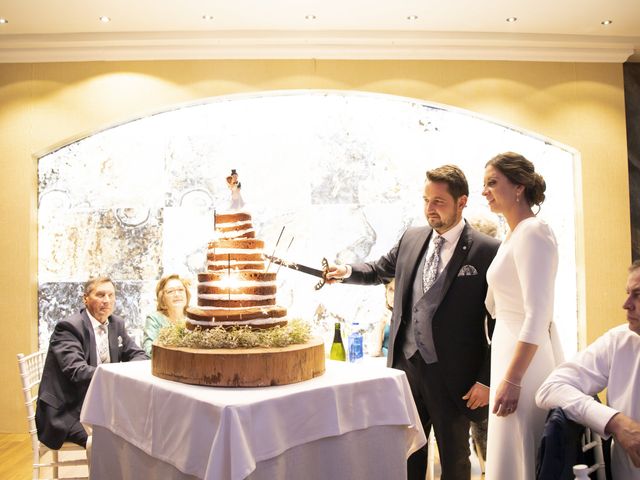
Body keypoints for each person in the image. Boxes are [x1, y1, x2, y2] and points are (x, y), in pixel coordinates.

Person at [327, 164, 500, 480]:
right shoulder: (411, 238)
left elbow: (499, 322)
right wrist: (346, 272)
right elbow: (379, 269)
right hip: (406, 372)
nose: (429, 210)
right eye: (425, 200)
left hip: (456, 380)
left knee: (455, 464)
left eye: (438, 202)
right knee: (407, 458)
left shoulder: (487, 251)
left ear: (462, 202)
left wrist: (486, 379)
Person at [482, 152, 563, 479]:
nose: (485, 191)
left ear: (518, 187)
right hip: (507, 351)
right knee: (508, 449)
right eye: (484, 184)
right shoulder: (513, 235)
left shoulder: (533, 231)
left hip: (524, 364)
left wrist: (513, 378)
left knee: (521, 448)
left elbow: (537, 313)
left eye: (492, 182)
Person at [536, 260, 640, 479]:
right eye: (628, 293)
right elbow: (550, 389)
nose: (626, 304)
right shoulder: (619, 342)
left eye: (637, 295)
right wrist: (616, 422)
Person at [36, 277, 148, 449]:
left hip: (103, 404)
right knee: (109, 442)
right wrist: (117, 376)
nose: (107, 300)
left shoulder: (116, 324)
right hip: (69, 410)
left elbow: (139, 355)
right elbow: (77, 371)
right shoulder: (69, 327)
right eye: (100, 295)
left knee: (141, 430)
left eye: (111, 295)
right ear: (85, 298)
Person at [142, 274, 191, 356]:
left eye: (180, 290)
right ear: (162, 298)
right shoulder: (154, 319)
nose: (177, 294)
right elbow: (150, 351)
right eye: (170, 291)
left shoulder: (194, 317)